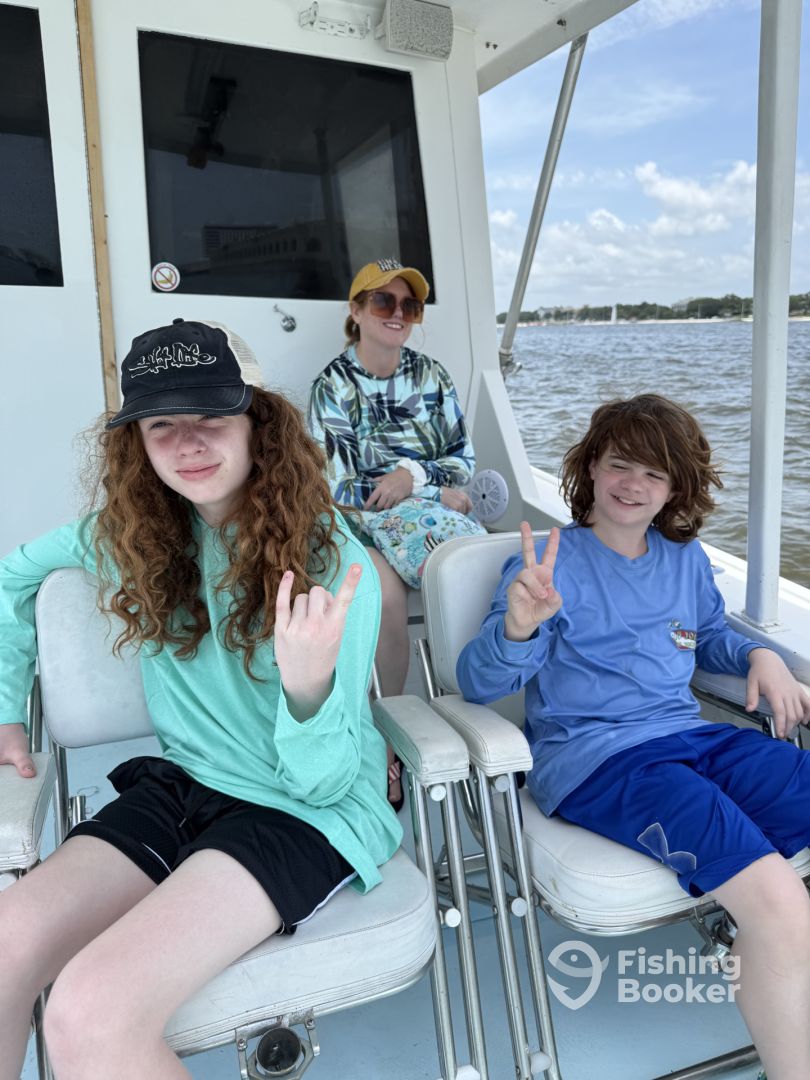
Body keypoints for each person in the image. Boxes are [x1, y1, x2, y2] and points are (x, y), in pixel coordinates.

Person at [0, 318, 400, 1080]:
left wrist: (307, 688)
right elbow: (11, 579)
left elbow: (322, 782)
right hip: (189, 785)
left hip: (304, 811)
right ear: (137, 444)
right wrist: (6, 712)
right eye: (161, 425)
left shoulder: (329, 564)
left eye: (211, 416)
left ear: (256, 423)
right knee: (5, 944)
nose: (188, 443)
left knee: (86, 1009)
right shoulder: (133, 535)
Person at [457, 394, 810, 1080]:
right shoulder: (549, 566)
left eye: (654, 474)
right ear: (591, 466)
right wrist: (519, 627)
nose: (633, 485)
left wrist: (760, 655)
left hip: (693, 739)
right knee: (777, 900)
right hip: (603, 762)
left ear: (675, 489)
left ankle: (777, 975)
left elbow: (709, 637)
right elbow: (476, 682)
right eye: (620, 464)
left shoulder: (685, 559)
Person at [309, 258, 478, 809]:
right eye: (383, 301)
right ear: (356, 311)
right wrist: (421, 491)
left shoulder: (433, 376)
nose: (398, 313)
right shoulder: (333, 386)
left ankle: (471, 719)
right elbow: (336, 487)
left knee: (477, 575)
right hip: (355, 520)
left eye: (410, 304)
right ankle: (384, 734)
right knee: (383, 597)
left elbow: (463, 462)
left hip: (421, 515)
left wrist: (416, 480)